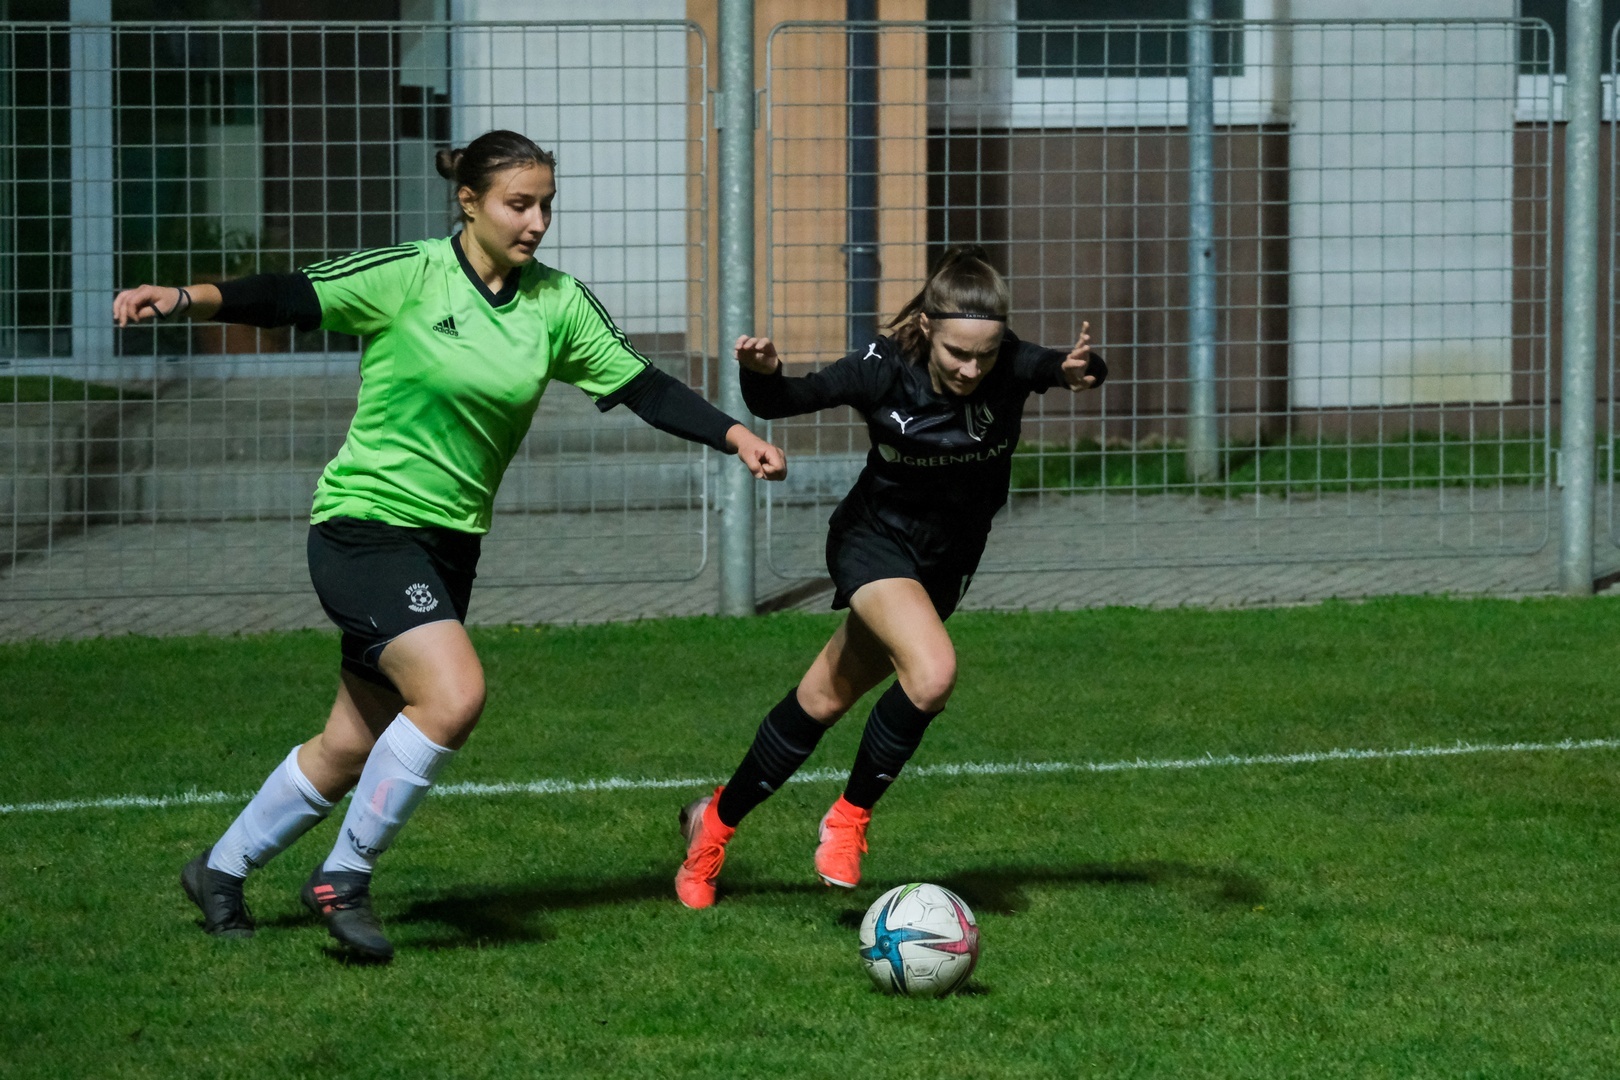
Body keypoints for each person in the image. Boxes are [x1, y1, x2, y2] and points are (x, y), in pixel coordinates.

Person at [112, 129, 786, 960]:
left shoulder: (557, 303)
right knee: (455, 693)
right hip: (364, 526)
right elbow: (289, 295)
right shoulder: (411, 274)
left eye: (546, 205)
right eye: (518, 204)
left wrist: (734, 436)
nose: (537, 222)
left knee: (349, 744)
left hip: (449, 549)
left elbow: (642, 384)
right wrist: (186, 297)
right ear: (468, 202)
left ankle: (218, 871)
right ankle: (343, 878)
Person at [674, 245, 1104, 909]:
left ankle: (712, 825)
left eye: (985, 355)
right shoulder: (883, 366)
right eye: (957, 353)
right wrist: (762, 373)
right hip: (874, 543)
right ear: (928, 327)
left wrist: (1083, 370)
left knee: (822, 700)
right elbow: (785, 400)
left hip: (946, 564)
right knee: (932, 674)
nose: (972, 369)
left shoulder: (1009, 363)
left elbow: (1063, 368)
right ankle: (848, 819)